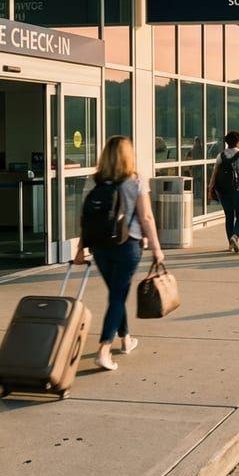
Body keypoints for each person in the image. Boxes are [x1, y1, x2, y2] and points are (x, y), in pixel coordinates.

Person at [74, 135, 164, 372]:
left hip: (100, 247)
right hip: (128, 245)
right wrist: (156, 248)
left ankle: (125, 339)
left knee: (116, 293)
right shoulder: (135, 181)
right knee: (117, 296)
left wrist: (80, 249)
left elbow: (85, 218)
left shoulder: (94, 181)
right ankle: (104, 349)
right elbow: (146, 217)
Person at [207, 130, 239, 253]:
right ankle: (235, 237)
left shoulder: (221, 156)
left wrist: (210, 189)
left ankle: (230, 245)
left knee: (229, 216)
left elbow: (214, 175)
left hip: (224, 191)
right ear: (238, 142)